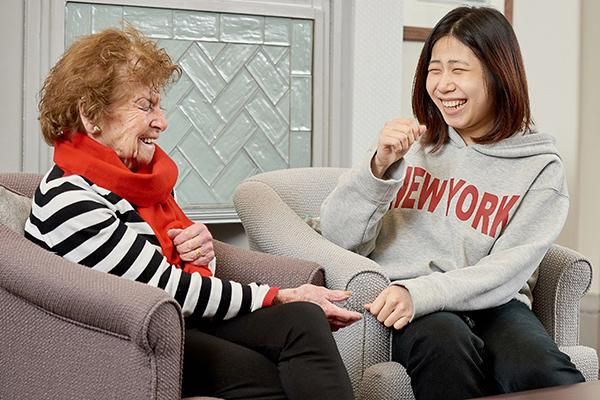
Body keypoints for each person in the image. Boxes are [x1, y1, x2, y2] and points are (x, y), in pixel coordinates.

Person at [25, 26, 360, 400]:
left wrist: (203, 253)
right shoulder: (71, 199)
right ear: (91, 115)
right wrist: (276, 295)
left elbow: (182, 271)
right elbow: (166, 288)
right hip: (128, 341)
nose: (161, 121)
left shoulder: (137, 181)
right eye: (145, 106)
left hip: (175, 317)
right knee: (266, 373)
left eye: (159, 104)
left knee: (303, 320)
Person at [320, 6, 585, 400]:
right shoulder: (411, 146)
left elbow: (508, 269)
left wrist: (427, 292)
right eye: (434, 69)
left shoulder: (540, 166)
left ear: (498, 74)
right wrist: (377, 166)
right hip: (411, 299)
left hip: (495, 302)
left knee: (539, 367)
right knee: (445, 345)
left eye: (459, 70)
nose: (443, 85)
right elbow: (338, 238)